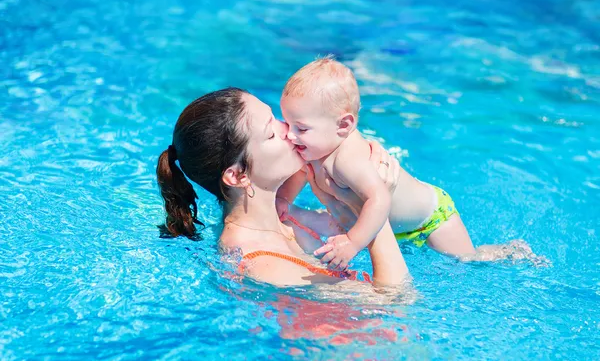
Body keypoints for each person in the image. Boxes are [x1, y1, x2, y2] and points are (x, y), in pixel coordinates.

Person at [156, 87, 411, 287]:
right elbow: (393, 302)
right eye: (270, 133)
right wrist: (374, 202)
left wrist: (358, 171)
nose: (288, 130)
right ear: (238, 176)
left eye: (274, 117)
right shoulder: (264, 265)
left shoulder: (283, 217)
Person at [277, 56, 478, 271]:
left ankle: (504, 253)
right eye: (287, 123)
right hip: (394, 230)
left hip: (432, 221)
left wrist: (353, 242)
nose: (290, 134)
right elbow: (299, 172)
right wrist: (283, 199)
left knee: (470, 262)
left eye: (301, 128)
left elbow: (379, 199)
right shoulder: (317, 145)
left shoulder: (348, 159)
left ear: (343, 125)